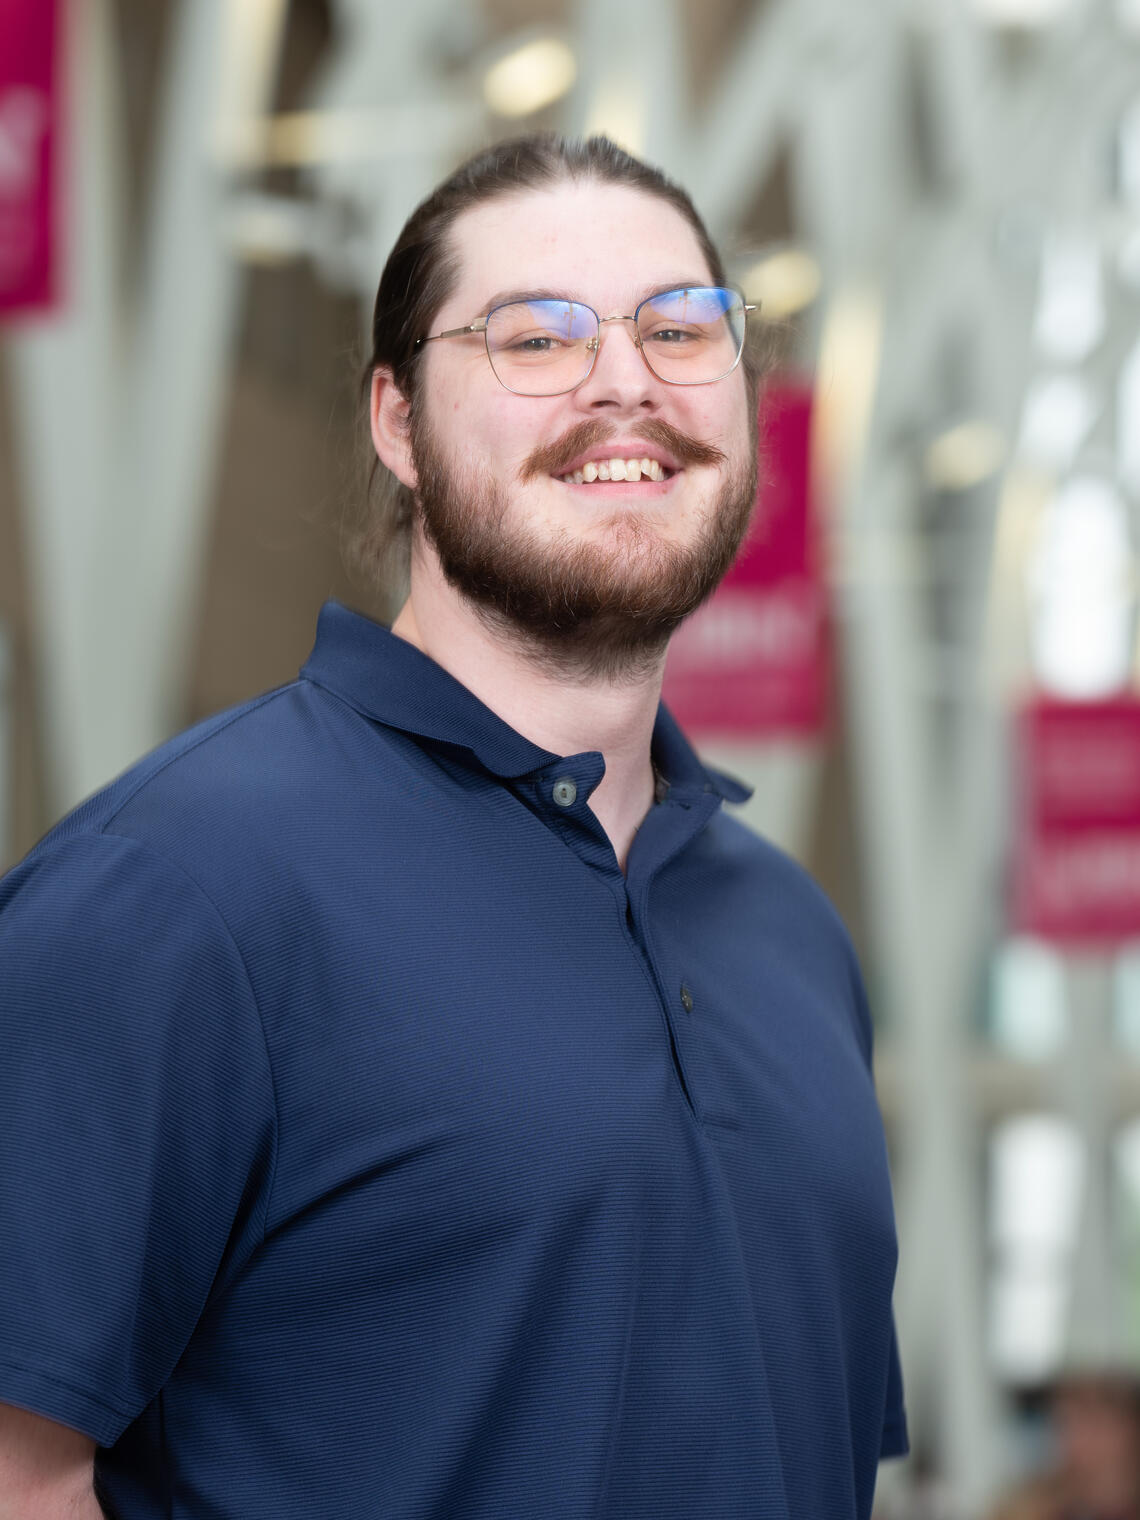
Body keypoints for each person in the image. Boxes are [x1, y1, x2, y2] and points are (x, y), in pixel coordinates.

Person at [0, 133, 907, 1519]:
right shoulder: (172, 893)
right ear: (397, 421)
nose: (624, 381)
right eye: (535, 337)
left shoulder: (794, 940)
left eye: (680, 328)